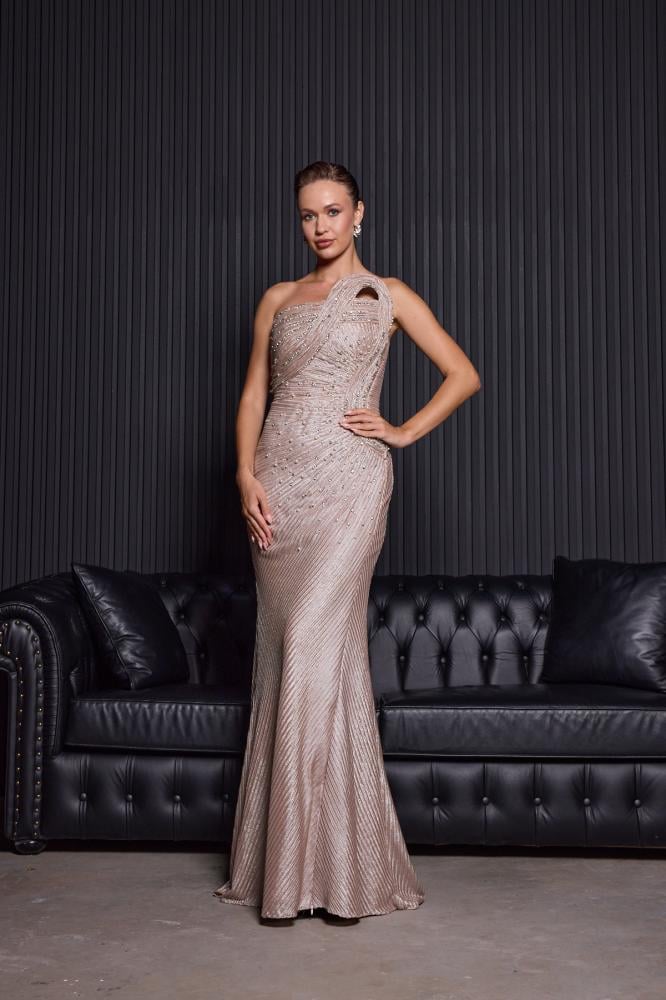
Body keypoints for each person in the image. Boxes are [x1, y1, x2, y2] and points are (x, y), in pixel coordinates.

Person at [213, 160, 481, 926]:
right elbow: (254, 395)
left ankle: (322, 869)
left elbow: (462, 374)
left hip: (351, 487)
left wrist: (401, 431)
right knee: (291, 659)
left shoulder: (388, 295)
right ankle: (311, 868)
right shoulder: (277, 299)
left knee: (310, 644)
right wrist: (244, 475)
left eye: (333, 211)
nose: (320, 226)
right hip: (279, 488)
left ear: (359, 214)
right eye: (308, 214)